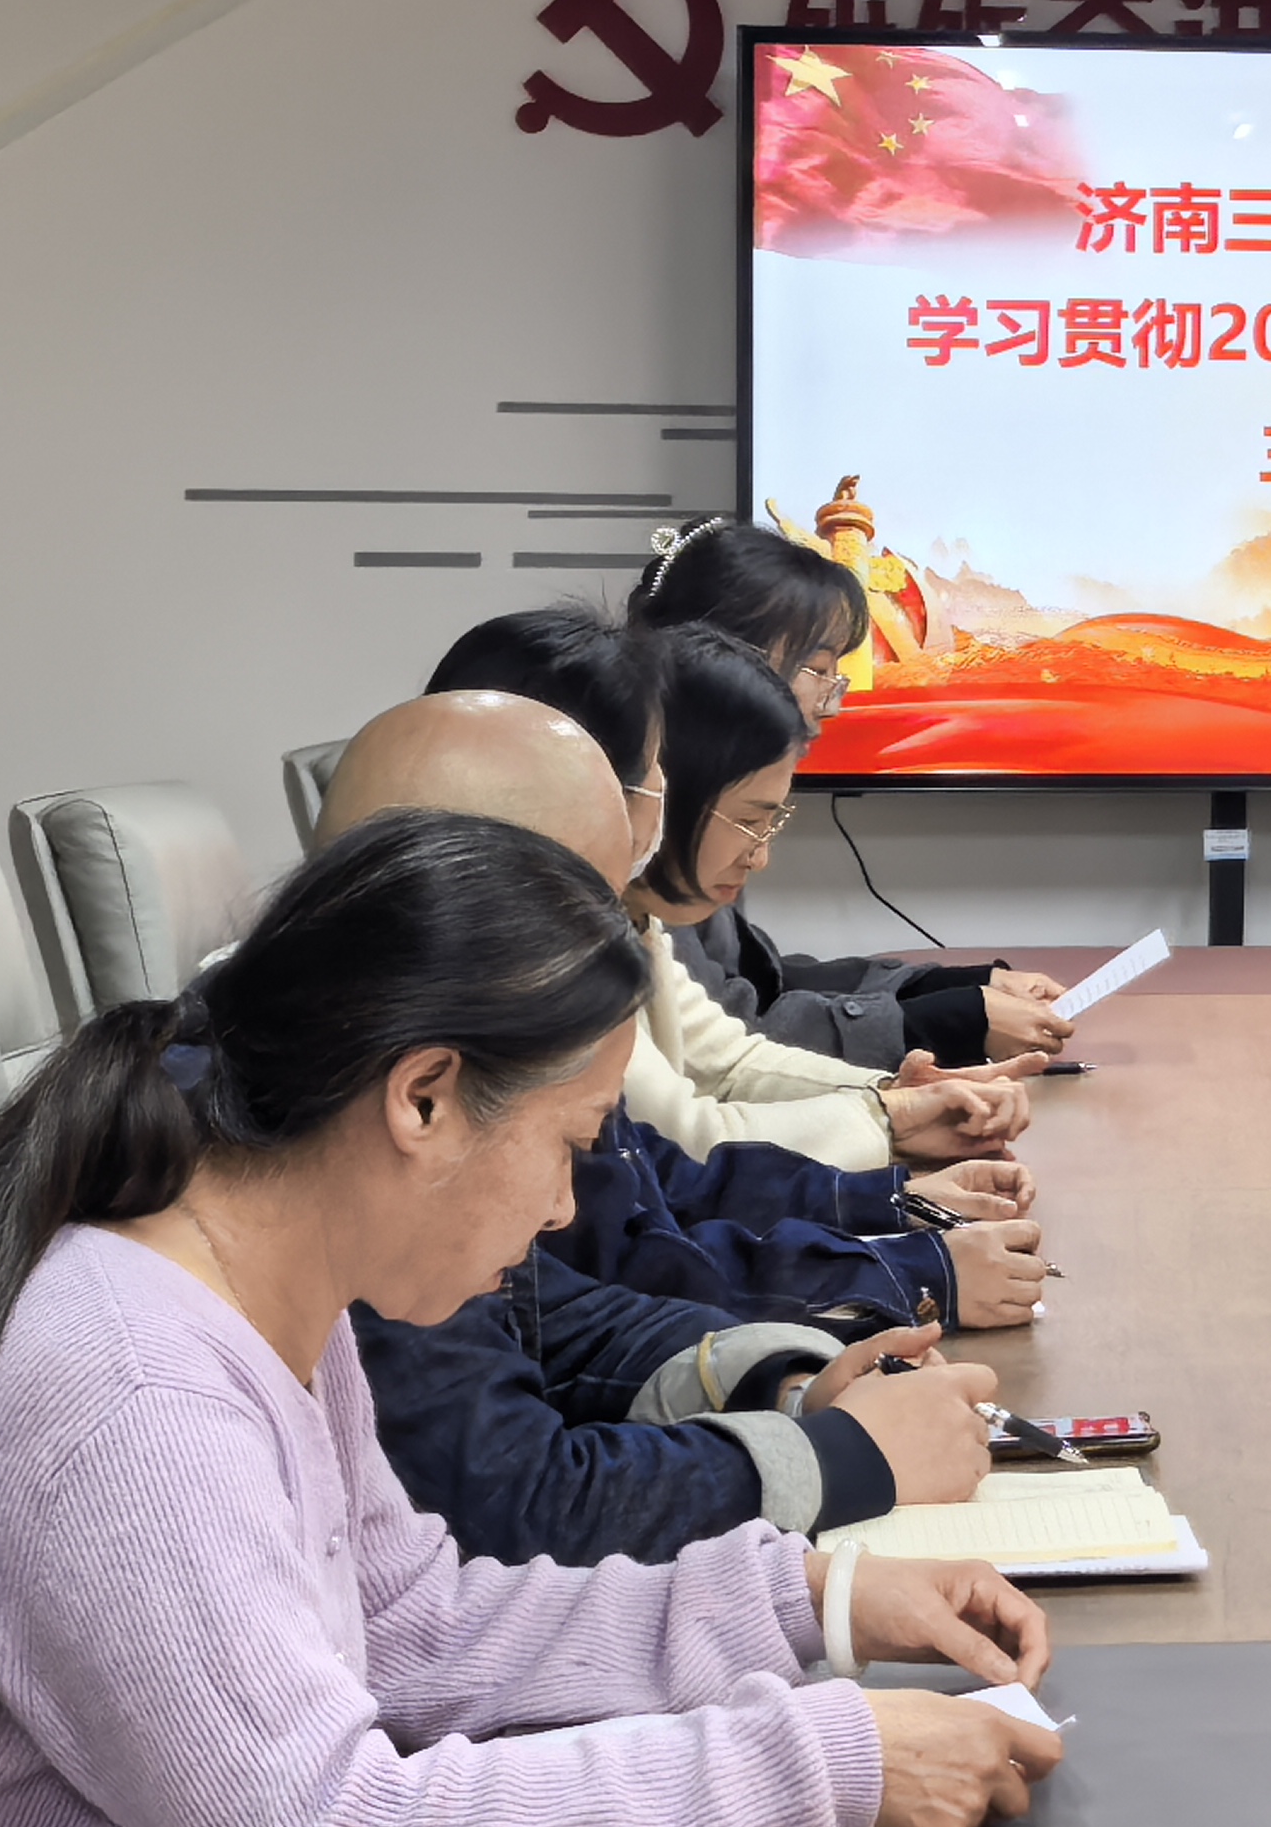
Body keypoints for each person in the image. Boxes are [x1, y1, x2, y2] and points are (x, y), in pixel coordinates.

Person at [0, 810, 1060, 1827]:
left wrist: (806, 1602)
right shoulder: (130, 1390)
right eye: (569, 1144)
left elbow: (407, 1629)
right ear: (423, 1098)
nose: (567, 1210)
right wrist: (818, 1765)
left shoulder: (268, 1294)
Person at [315, 698, 1014, 1567]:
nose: (564, 1206)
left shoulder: (381, 1077)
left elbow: (561, 1317)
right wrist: (838, 1456)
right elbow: (511, 1509)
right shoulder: (359, 1153)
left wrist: (788, 1389)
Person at [327, 692, 1050, 1334]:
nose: (650, 829)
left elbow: (663, 1180)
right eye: (653, 793)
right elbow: (637, 1244)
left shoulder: (575, 955)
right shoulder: (499, 1024)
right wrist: (900, 1265)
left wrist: (891, 1165)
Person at [429, 607, 1024, 1171]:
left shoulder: (614, 916)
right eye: (817, 669)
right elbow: (682, 1141)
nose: (650, 802)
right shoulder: (522, 950)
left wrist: (892, 1098)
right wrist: (889, 1117)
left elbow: (727, 1060)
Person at [624, 519, 1071, 1076]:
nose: (833, 703)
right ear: (727, 656)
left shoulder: (678, 790)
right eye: (820, 670)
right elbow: (730, 1046)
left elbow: (763, 983)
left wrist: (952, 988)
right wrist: (942, 1022)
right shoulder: (643, 823)